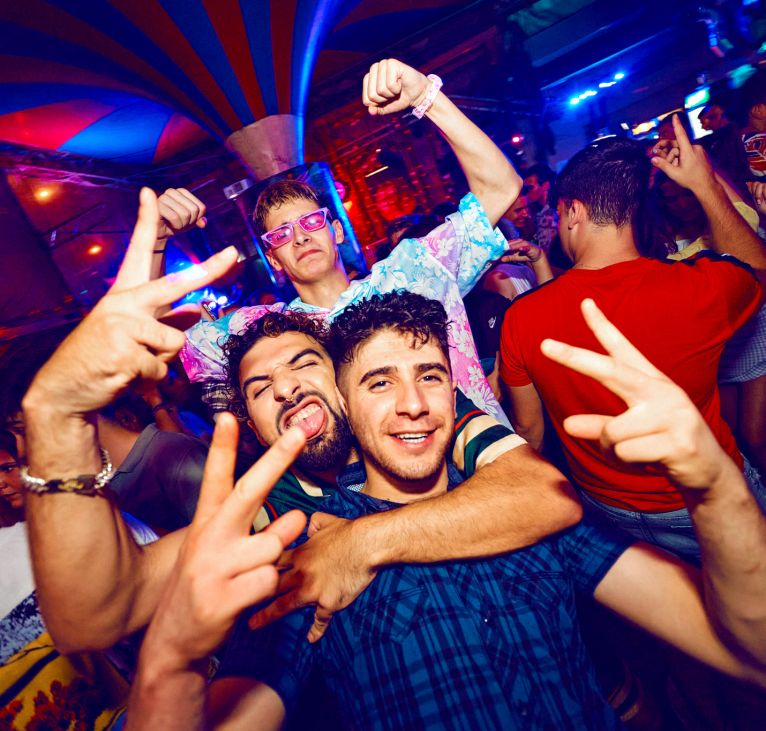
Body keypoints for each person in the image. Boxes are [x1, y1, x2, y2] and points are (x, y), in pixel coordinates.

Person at [126, 293, 766, 730]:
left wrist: (716, 488)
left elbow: (750, 651)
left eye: (430, 376)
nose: (413, 404)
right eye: (380, 382)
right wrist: (169, 666)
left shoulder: (534, 515)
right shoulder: (315, 556)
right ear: (343, 401)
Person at [20, 186, 579, 655]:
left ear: (345, 379)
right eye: (260, 387)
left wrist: (358, 544)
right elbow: (100, 615)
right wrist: (56, 420)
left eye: (305, 364)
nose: (286, 387)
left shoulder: (433, 426)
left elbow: (548, 495)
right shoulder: (285, 511)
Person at [178, 58, 522, 425]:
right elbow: (178, 342)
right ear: (273, 259)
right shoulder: (273, 336)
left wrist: (427, 96)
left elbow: (501, 188)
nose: (300, 237)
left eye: (311, 221)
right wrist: (159, 241)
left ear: (336, 231)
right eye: (281, 234)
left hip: (483, 452)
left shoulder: (413, 270)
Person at [500, 117, 766, 562]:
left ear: (573, 212)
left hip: (609, 511)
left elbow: (529, 431)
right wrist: (706, 186)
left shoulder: (521, 318)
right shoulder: (698, 288)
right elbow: (757, 269)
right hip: (702, 496)